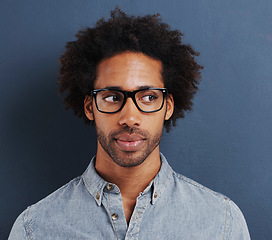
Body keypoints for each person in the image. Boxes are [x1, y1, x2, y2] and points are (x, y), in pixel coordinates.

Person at [9, 8, 250, 239]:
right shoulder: (34, 229)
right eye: (113, 97)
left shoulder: (222, 224)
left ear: (167, 106)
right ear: (90, 107)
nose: (130, 118)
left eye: (148, 97)